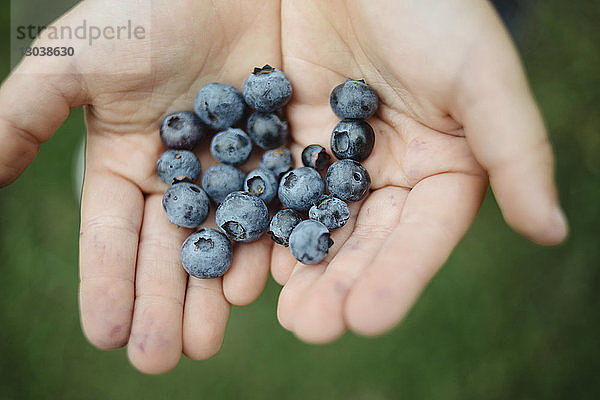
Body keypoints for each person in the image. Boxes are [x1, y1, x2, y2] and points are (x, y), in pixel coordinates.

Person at [0, 0, 567, 374]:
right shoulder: (239, 160)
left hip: (406, 47)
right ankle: (157, 156)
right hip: (240, 141)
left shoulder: (320, 156)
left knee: (495, 25)